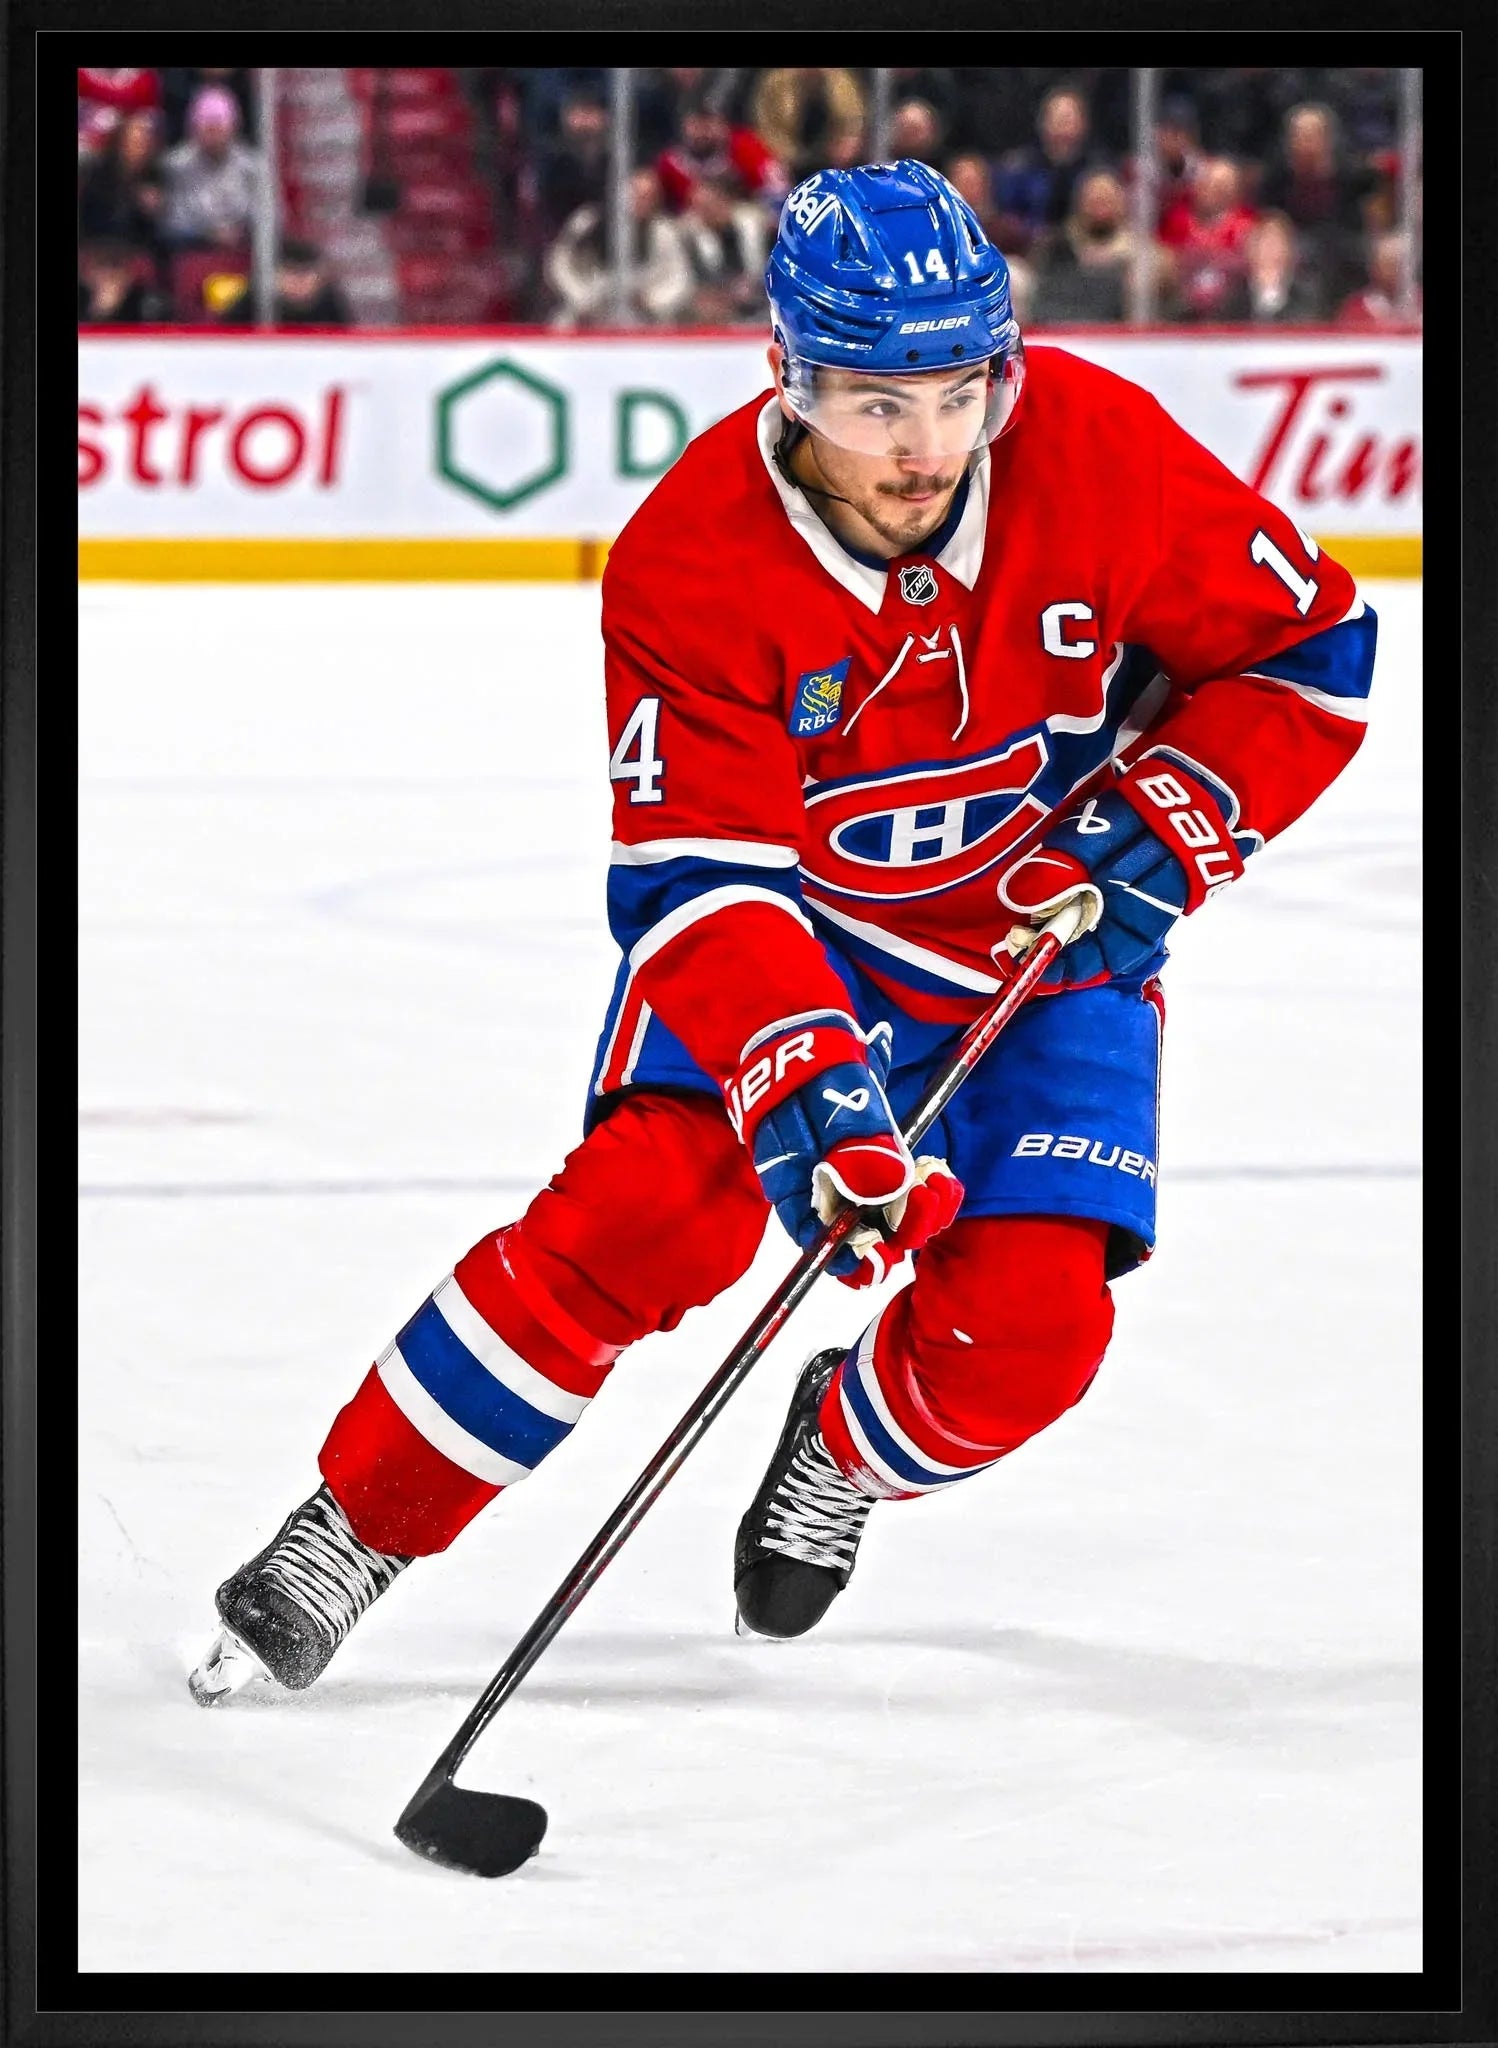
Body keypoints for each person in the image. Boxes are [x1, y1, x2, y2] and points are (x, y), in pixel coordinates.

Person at [189, 160, 1376, 1703]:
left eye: (962, 393)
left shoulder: (1100, 451)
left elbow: (1308, 652)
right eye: (878, 406)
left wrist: (1160, 829)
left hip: (1045, 949)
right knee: (649, 1218)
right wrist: (805, 1082)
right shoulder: (691, 559)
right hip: (799, 938)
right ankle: (357, 1525)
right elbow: (702, 881)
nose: (928, 448)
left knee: (1029, 1332)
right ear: (787, 380)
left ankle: (841, 1443)